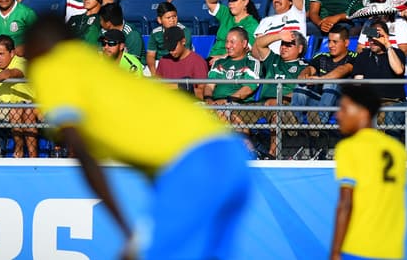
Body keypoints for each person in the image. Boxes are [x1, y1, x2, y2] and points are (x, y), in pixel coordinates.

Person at [27, 15, 251, 260]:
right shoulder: (92, 61)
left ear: (38, 46)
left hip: (189, 160)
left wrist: (126, 231)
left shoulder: (50, 67)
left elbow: (80, 148)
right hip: (227, 148)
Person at [328, 82, 407, 259]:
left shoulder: (349, 147)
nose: (338, 115)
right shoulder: (398, 150)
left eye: (343, 109)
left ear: (363, 113)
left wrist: (335, 252)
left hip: (358, 247)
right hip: (392, 251)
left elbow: (346, 203)